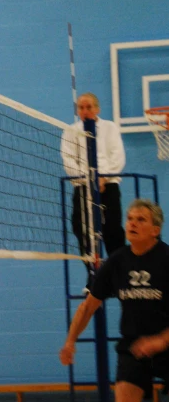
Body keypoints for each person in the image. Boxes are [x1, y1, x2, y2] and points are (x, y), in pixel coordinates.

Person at [60, 199, 169, 402]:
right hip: (134, 346)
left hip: (167, 342)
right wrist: (70, 341)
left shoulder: (167, 260)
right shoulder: (117, 262)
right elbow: (88, 307)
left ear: (155, 230)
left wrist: (161, 340)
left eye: (141, 219)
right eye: (130, 218)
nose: (132, 223)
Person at [60, 93, 126, 279]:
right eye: (81, 107)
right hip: (82, 188)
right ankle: (93, 275)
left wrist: (104, 177)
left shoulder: (109, 127)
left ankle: (117, 276)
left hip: (109, 185)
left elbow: (117, 155)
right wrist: (87, 181)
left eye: (89, 107)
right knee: (80, 229)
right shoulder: (70, 131)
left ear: (97, 109)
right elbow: (68, 160)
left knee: (112, 229)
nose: (85, 111)